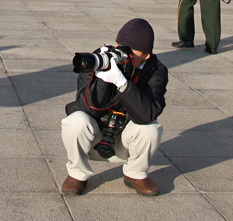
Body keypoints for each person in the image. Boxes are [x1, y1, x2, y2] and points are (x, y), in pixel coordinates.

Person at [60, 17, 167, 197]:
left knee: (151, 129)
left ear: (146, 55)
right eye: (119, 48)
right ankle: (77, 173)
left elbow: (147, 114)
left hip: (124, 139)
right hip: (94, 136)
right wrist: (101, 79)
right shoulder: (99, 60)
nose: (123, 55)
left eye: (131, 52)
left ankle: (136, 174)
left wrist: (123, 83)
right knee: (75, 121)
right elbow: (87, 108)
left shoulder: (155, 70)